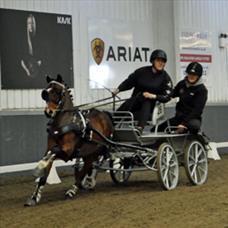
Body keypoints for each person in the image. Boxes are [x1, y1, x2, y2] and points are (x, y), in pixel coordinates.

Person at [112, 49, 173, 133]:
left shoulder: (165, 78)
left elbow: (167, 96)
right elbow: (129, 82)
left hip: (151, 106)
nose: (161, 63)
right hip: (135, 101)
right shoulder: (141, 72)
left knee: (147, 100)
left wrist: (153, 96)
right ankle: (112, 121)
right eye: (158, 60)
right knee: (129, 102)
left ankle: (140, 128)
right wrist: (118, 89)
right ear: (152, 61)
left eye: (163, 61)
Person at [155, 62, 208, 134]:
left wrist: (183, 124)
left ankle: (194, 137)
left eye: (194, 75)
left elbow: (197, 111)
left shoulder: (202, 90)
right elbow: (172, 94)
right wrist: (157, 96)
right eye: (190, 74)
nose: (191, 76)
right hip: (178, 118)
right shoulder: (182, 84)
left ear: (198, 76)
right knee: (156, 129)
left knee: (193, 126)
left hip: (192, 119)